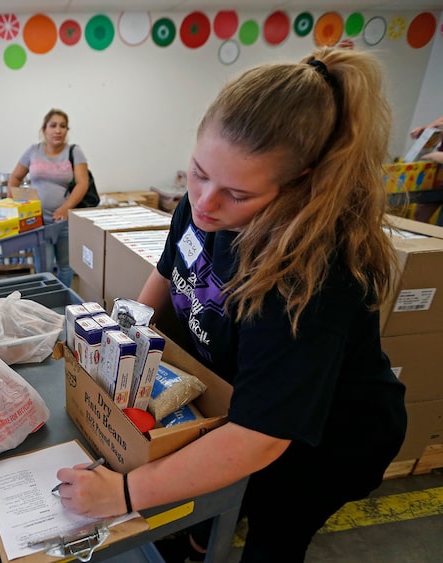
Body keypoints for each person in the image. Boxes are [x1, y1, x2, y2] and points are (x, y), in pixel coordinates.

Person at [54, 47, 407, 562]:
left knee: (273, 534)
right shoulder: (201, 211)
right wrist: (110, 351)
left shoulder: (307, 279)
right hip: (248, 408)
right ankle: (200, 539)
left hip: (328, 437)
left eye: (237, 194)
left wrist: (123, 494)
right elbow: (161, 287)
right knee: (214, 507)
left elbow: (258, 439)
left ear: (300, 183)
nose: (204, 203)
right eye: (198, 172)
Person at [7, 108, 90, 287]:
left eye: (63, 126)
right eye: (53, 126)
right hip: (36, 222)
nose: (58, 130)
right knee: (43, 268)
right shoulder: (33, 151)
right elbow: (15, 178)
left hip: (63, 221)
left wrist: (65, 208)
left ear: (67, 130)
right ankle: (46, 303)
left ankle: (63, 300)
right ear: (44, 129)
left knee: (65, 266)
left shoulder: (74, 151)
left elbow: (83, 184)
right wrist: (15, 206)